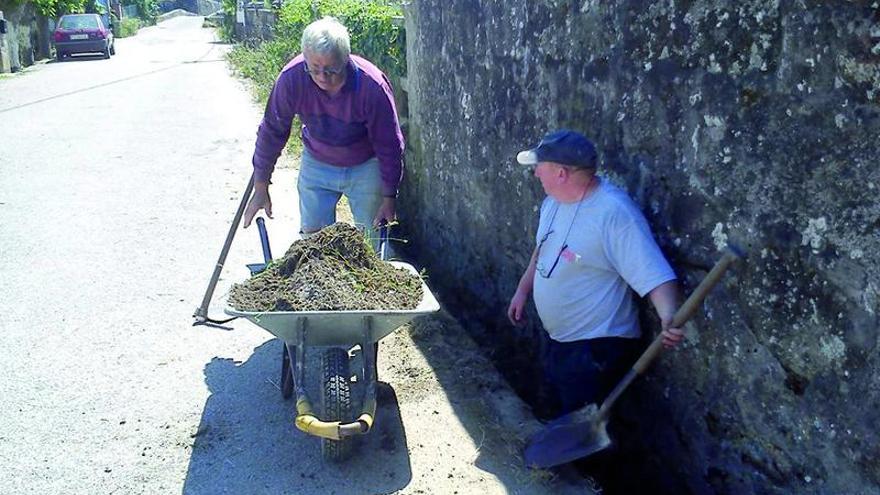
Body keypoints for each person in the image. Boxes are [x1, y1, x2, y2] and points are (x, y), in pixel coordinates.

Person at [507, 129, 685, 419]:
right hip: (562, 342)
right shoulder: (553, 202)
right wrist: (523, 290)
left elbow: (652, 271)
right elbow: (543, 250)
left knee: (586, 431)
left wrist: (668, 315)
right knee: (563, 416)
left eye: (540, 166)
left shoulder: (614, 213)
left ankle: (584, 465)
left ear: (562, 173)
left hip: (596, 350)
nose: (536, 173)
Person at [242, 17, 404, 242]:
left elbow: (389, 145)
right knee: (314, 242)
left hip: (365, 163)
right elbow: (272, 130)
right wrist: (261, 184)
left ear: (345, 60)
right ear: (305, 60)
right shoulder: (292, 79)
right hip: (317, 161)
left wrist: (389, 196)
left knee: (372, 240)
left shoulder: (372, 87)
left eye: (331, 70)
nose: (322, 78)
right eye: (314, 69)